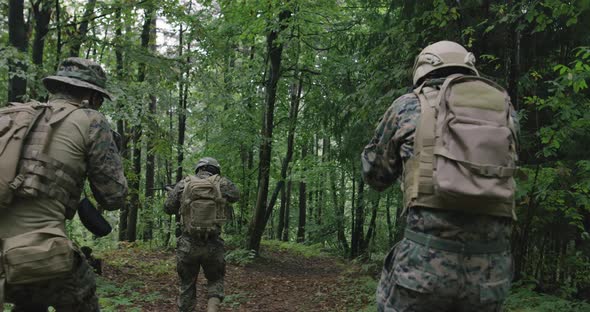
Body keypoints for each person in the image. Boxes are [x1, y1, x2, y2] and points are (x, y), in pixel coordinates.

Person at [361, 41, 519, 311]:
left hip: (423, 266)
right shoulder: (506, 113)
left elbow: (376, 176)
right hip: (491, 273)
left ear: (423, 70)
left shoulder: (408, 106)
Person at [0, 57, 127, 311]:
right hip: (37, 254)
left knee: (30, 301)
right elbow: (114, 197)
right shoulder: (91, 120)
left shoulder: (13, 118)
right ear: (92, 97)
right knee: (80, 291)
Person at [165, 157, 240, 312]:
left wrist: (173, 193)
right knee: (215, 281)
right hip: (213, 244)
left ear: (198, 168)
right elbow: (236, 195)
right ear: (215, 169)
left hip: (188, 244)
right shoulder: (222, 182)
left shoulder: (184, 183)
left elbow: (168, 208)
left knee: (187, 286)